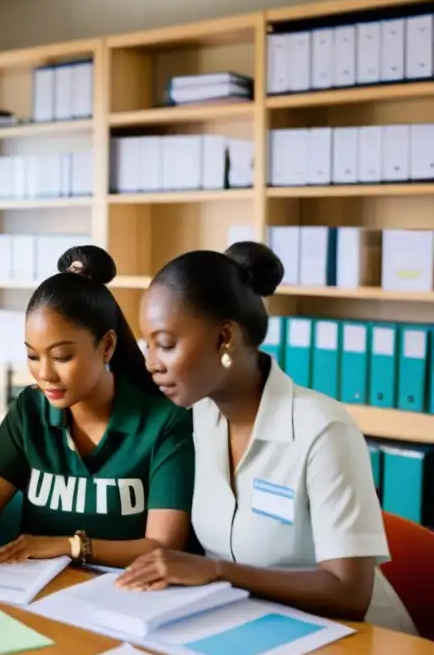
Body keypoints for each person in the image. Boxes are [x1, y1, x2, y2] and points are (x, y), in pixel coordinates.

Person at [117, 241, 417, 634]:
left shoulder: (323, 430)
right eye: (148, 344)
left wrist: (217, 571)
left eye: (167, 344)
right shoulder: (197, 418)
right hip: (255, 631)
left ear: (225, 338)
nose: (153, 362)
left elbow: (349, 593)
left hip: (360, 648)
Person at [0, 246, 195, 568]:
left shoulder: (164, 423)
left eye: (61, 357)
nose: (44, 374)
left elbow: (164, 547)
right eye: (32, 355)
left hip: (126, 595)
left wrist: (69, 546)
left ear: (106, 346)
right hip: (33, 591)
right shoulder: (30, 409)